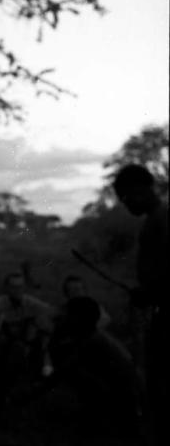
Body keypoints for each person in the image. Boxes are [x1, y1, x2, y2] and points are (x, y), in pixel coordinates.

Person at [113, 164, 169, 445]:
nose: (125, 205)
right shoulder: (155, 219)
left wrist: (148, 292)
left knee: (159, 383)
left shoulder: (162, 218)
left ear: (141, 189)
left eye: (125, 198)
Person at [46, 296, 144, 439]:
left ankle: (100, 420)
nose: (65, 316)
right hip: (122, 391)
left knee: (81, 375)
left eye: (69, 313)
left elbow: (64, 369)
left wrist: (31, 392)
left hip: (123, 397)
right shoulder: (89, 335)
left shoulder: (93, 340)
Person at [0, 272, 53, 391]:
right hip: (5, 347)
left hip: (28, 344)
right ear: (6, 288)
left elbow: (48, 312)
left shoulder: (31, 302)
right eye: (13, 287)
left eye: (20, 287)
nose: (17, 290)